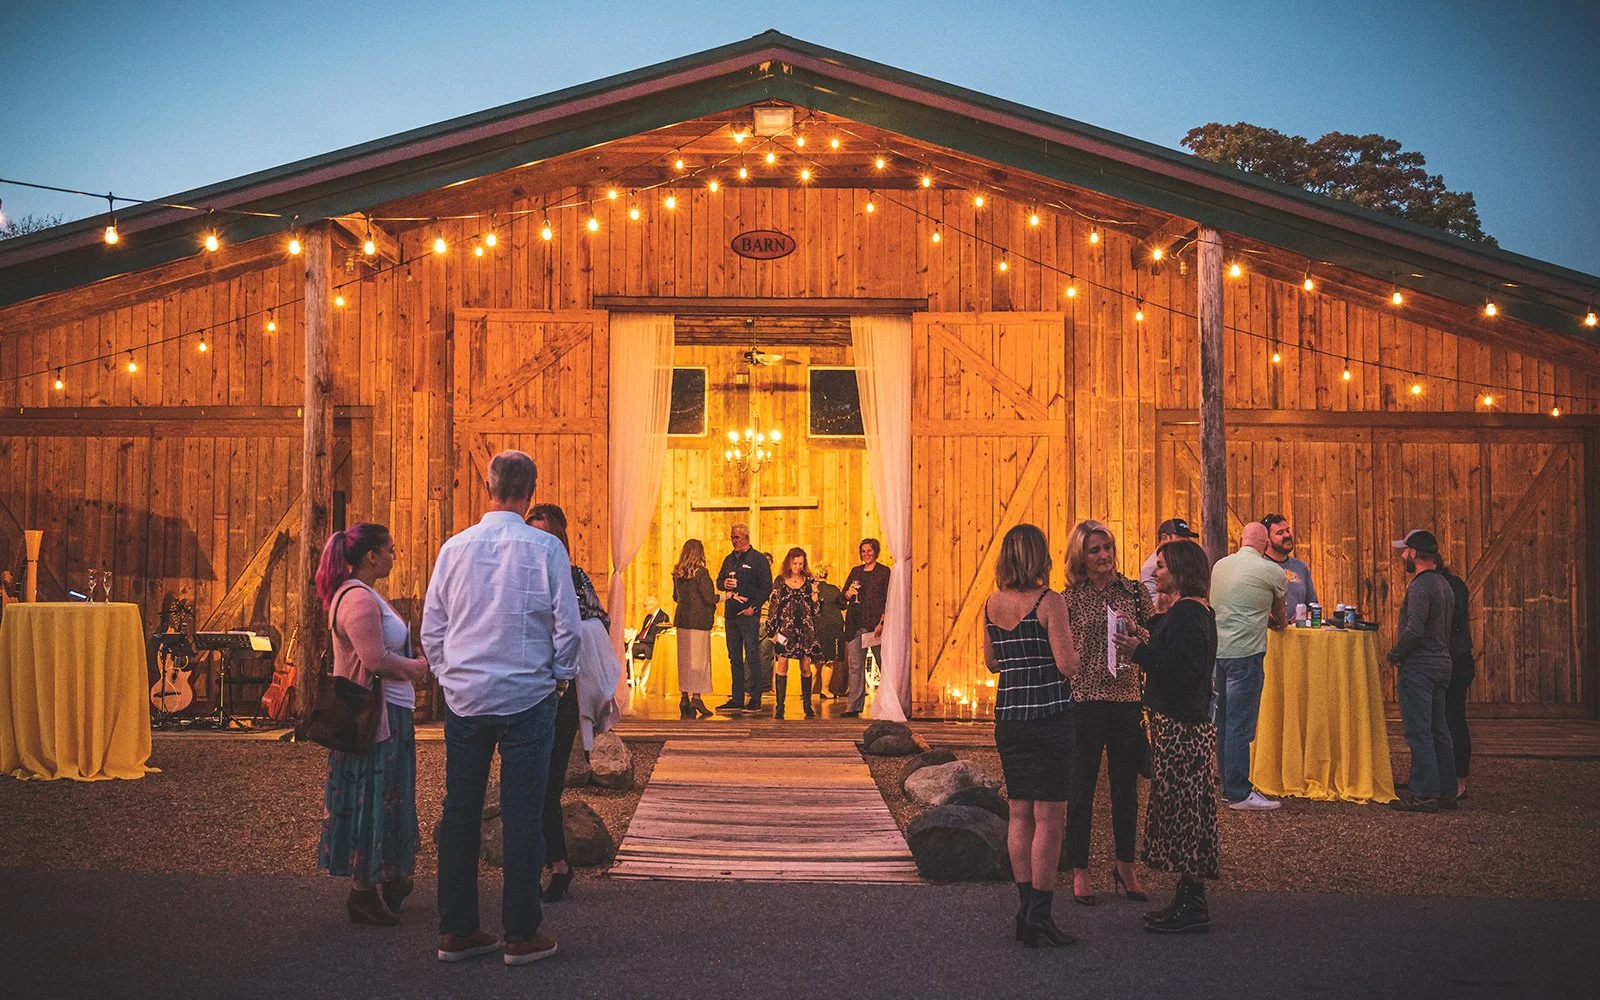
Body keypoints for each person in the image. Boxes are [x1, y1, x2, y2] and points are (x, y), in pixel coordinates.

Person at [422, 450, 580, 966]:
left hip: (466, 699)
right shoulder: (546, 548)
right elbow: (568, 628)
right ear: (530, 490)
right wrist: (559, 677)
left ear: (487, 486)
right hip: (527, 695)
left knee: (460, 812)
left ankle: (457, 930)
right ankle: (520, 932)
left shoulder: (454, 548)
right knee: (523, 812)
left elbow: (433, 628)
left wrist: (450, 676)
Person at [314, 523, 430, 927]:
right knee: (375, 796)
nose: (395, 556)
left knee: (391, 794)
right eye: (391, 550)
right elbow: (376, 659)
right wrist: (417, 668)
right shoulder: (359, 600)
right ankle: (363, 891)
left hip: (389, 711)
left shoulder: (362, 594)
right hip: (376, 715)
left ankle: (393, 874)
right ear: (371, 557)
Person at [1115, 539, 1220, 934]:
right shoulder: (1186, 613)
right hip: (1179, 724)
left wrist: (1139, 652)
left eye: (1161, 566)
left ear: (1179, 571)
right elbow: (1169, 645)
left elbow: (1182, 669)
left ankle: (1193, 904)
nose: (1154, 572)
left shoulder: (1190, 615)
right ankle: (1186, 897)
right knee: (1181, 809)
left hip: (1182, 728)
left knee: (1186, 812)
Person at [983, 523, 1080, 948]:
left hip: (1010, 718)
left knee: (1019, 812)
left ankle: (1024, 911)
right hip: (1049, 715)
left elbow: (991, 663)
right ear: (1039, 557)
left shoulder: (990, 604)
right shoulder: (1049, 602)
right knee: (1050, 816)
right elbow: (1067, 664)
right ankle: (1041, 913)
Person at [526, 503, 620, 904]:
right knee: (526, 785)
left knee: (546, 785)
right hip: (523, 688)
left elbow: (599, 620)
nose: (536, 542)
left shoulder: (573, 576)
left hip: (561, 690)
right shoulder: (519, 576)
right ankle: (543, 864)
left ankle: (557, 864)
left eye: (544, 534)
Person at [1061, 520, 1155, 906]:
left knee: (1125, 790)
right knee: (1080, 788)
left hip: (1126, 699)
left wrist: (1139, 633)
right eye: (1095, 549)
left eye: (1108, 548)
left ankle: (1125, 865)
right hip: (1084, 700)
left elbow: (1156, 639)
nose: (1104, 556)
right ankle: (1080, 870)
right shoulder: (1069, 598)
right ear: (1080, 556)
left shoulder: (1133, 592)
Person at [1209, 521, 1287, 811]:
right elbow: (1279, 614)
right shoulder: (1272, 571)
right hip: (1246, 654)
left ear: (1240, 541)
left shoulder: (1220, 566)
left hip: (1218, 652)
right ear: (1265, 545)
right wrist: (1278, 623)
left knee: (1224, 724)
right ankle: (1240, 792)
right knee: (1241, 726)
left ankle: (1229, 787)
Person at [1387, 529, 1458, 813]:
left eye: (1405, 550)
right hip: (1442, 664)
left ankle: (1424, 794)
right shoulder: (1444, 585)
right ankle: (1446, 792)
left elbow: (1415, 629)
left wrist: (1395, 653)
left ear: (1414, 554)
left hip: (1419, 667)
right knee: (1439, 729)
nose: (1403, 555)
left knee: (1419, 732)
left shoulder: (1419, 587)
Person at [715, 524, 772, 714]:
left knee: (753, 656)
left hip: (748, 615)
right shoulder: (729, 559)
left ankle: (755, 698)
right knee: (734, 657)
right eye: (732, 537)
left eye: (737, 537)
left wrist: (753, 607)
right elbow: (719, 580)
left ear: (746, 537)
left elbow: (766, 587)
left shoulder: (758, 560)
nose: (734, 541)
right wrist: (724, 583)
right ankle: (737, 698)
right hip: (731, 614)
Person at [767, 547, 823, 719]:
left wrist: (814, 593)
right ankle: (780, 706)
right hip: (786, 630)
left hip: (805, 630)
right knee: (782, 664)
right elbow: (773, 606)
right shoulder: (780, 581)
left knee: (805, 666)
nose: (798, 567)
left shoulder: (808, 582)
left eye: (801, 563)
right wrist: (772, 630)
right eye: (795, 563)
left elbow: (817, 611)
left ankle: (807, 705)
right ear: (789, 564)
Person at [840, 538, 891, 718]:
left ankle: (888, 703)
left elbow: (888, 599)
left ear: (875, 552)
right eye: (863, 551)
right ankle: (853, 706)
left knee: (883, 665)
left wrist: (882, 622)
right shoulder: (856, 572)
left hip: (875, 626)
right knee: (855, 666)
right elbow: (841, 599)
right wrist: (847, 594)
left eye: (869, 551)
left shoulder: (884, 572)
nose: (866, 554)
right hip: (855, 624)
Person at [670, 539, 717, 720]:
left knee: (685, 661)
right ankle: (696, 697)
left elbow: (676, 597)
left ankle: (684, 697)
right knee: (699, 661)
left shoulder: (677, 572)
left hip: (682, 620)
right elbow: (709, 598)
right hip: (699, 622)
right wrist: (727, 596)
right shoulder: (701, 573)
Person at [1440, 560, 1473, 799]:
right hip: (1453, 658)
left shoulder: (1450, 587)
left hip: (1455, 660)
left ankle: (1459, 781)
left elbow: (1455, 624)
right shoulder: (1453, 585)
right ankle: (1444, 776)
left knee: (1453, 720)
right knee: (1441, 720)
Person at [1261, 513, 1318, 617]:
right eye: (1280, 533)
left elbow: (1312, 604)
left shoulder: (1301, 567)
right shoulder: (1259, 566)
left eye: (1287, 530)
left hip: (1297, 631)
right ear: (1267, 539)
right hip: (1267, 632)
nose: (1287, 535)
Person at [1139, 518, 1198, 604]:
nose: (1185, 541)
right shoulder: (1150, 568)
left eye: (1187, 537)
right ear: (1164, 538)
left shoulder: (1183, 561)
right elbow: (1150, 603)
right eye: (1180, 537)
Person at [812, 565, 849, 700]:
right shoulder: (833, 589)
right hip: (833, 627)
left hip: (816, 626)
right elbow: (843, 605)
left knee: (814, 660)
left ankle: (808, 691)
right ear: (826, 575)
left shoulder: (811, 590)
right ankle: (825, 690)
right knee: (829, 660)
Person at [630, 596, 671, 681]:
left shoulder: (663, 617)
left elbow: (656, 637)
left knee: (629, 649)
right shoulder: (648, 617)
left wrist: (639, 640)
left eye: (645, 605)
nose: (644, 608)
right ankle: (628, 676)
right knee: (625, 647)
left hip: (650, 646)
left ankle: (627, 676)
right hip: (643, 643)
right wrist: (632, 638)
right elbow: (643, 632)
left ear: (652, 605)